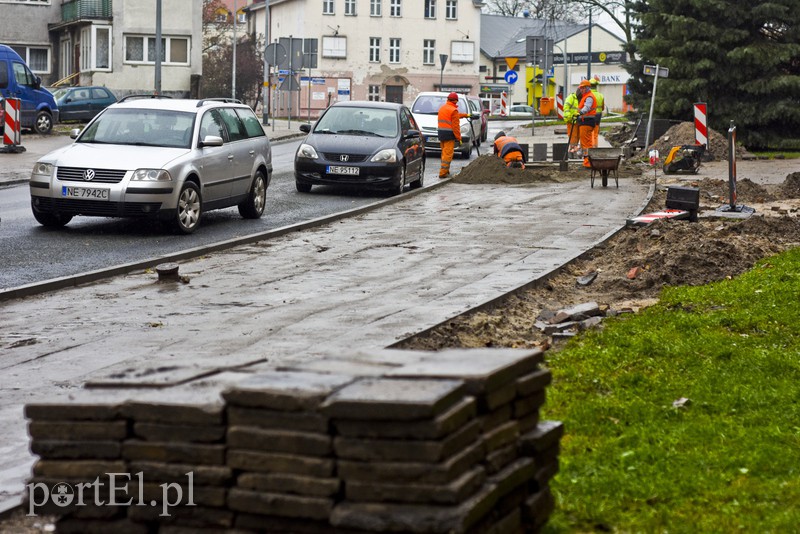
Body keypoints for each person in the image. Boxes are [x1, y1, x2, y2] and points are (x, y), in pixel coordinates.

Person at [437, 92, 467, 178]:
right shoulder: (453, 110)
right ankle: (443, 173)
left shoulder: (443, 108)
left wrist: (466, 115)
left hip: (441, 133)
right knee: (448, 154)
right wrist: (459, 138)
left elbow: (454, 116)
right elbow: (455, 127)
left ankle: (446, 171)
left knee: (444, 153)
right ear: (456, 101)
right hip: (449, 135)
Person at [575, 79, 597, 168]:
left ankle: (588, 162)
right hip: (585, 122)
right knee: (585, 143)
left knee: (586, 143)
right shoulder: (586, 96)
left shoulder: (589, 97)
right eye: (581, 88)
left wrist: (580, 113)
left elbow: (587, 107)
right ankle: (587, 161)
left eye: (583, 88)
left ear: (587, 88)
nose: (581, 90)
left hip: (587, 122)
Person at [561, 90, 580, 156]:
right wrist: (570, 117)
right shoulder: (571, 97)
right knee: (573, 137)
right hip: (571, 121)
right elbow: (566, 108)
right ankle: (572, 151)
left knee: (577, 137)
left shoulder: (579, 98)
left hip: (577, 121)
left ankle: (573, 150)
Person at [589, 76, 606, 149]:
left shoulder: (588, 95)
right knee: (595, 132)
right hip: (598, 115)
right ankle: (595, 146)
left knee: (590, 131)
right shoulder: (600, 95)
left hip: (589, 115)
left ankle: (590, 146)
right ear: (596, 86)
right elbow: (602, 108)